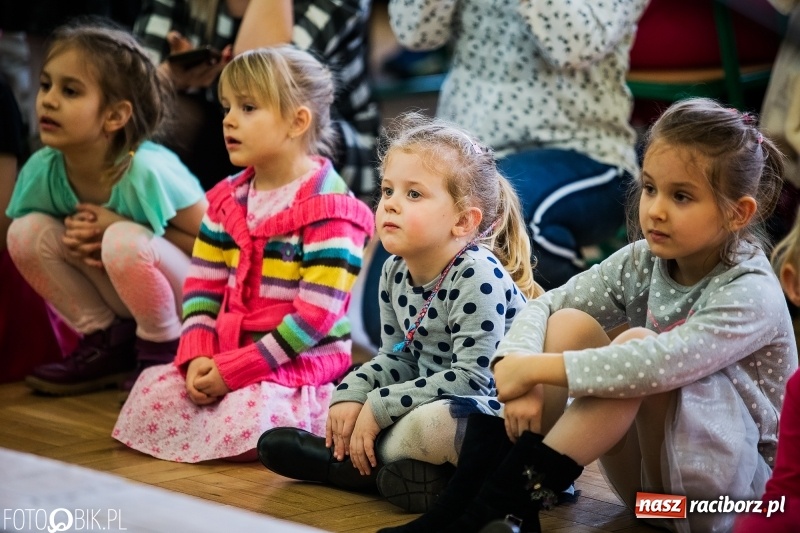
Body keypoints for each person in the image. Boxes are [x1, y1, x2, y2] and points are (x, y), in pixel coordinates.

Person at [377, 98, 799, 533]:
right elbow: (547, 303)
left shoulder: (750, 290)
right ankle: (506, 507)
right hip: (648, 502)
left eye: (682, 196)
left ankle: (501, 500)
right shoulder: (646, 258)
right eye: (651, 188)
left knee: (636, 348)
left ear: (738, 213)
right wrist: (517, 367)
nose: (655, 209)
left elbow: (656, 364)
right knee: (567, 325)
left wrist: (534, 368)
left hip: (726, 508)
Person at [257, 114, 542, 510]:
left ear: (463, 221)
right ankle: (408, 474)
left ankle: (347, 465)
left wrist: (381, 406)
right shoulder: (395, 268)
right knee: (353, 397)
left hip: (495, 419)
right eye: (388, 190)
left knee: (433, 422)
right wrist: (353, 391)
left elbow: (475, 380)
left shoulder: (477, 274)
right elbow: (399, 357)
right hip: (432, 398)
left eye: (414, 194)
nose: (389, 203)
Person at [112, 46, 375, 463]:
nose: (229, 120)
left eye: (248, 107)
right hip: (227, 352)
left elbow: (314, 318)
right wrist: (198, 353)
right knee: (151, 393)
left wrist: (236, 370)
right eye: (227, 107)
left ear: (297, 121)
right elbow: (202, 287)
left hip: (293, 362)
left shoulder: (330, 208)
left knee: (250, 415)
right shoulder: (229, 198)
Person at [387, 0, 649, 291]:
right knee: (393, 291)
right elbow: (414, 33)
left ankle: (569, 321)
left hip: (582, 146)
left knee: (510, 221)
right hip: (464, 148)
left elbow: (575, 46)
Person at [5, 21, 207, 396]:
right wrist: (80, 235)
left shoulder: (147, 170)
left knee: (122, 239)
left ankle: (165, 351)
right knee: (25, 232)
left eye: (70, 91)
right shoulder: (44, 166)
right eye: (46, 84)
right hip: (128, 295)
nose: (48, 99)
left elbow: (223, 249)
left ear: (115, 116)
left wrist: (121, 225)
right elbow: (32, 245)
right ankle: (106, 342)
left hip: (196, 304)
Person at [133, 0, 379, 198]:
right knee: (158, 118)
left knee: (259, 121)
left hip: (318, 137)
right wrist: (170, 76)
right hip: (215, 135)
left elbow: (266, 86)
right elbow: (132, 87)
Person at [731, 209, 800, 532]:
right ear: (794, 283)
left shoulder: (753, 290)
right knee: (650, 508)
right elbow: (787, 494)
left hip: (732, 487)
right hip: (703, 500)